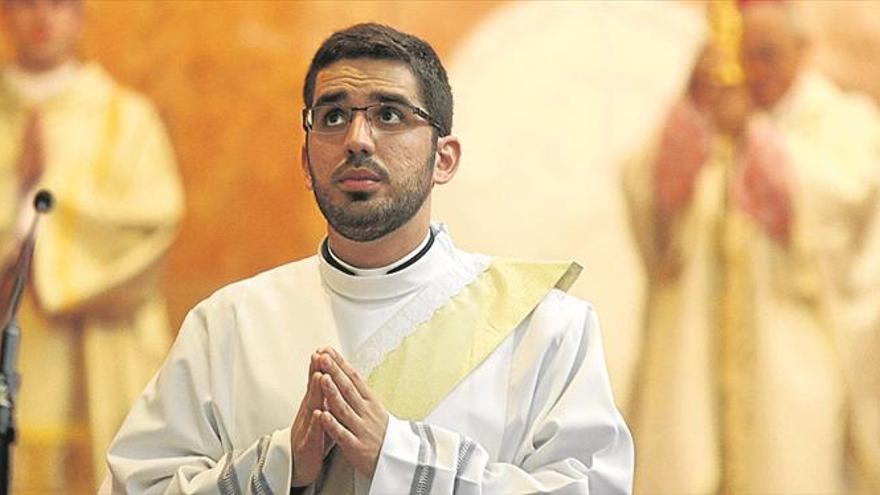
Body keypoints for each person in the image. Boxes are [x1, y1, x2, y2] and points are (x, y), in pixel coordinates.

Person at [104, 23, 633, 494]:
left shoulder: (541, 328)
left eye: (389, 114)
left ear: (442, 159)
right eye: (332, 116)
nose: (357, 139)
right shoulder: (228, 325)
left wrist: (402, 460)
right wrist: (279, 467)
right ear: (306, 160)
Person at [623, 2, 880, 493]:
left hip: (791, 385)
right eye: (739, 56)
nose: (751, 73)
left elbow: (848, 206)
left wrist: (752, 137)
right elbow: (650, 207)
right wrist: (693, 112)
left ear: (803, 51)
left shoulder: (843, 122)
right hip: (691, 383)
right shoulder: (701, 119)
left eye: (766, 55)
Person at [0, 0, 184, 491]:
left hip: (98, 360)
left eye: (58, 3)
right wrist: (18, 211)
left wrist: (45, 201)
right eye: (26, 3)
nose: (42, 17)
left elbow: (150, 228)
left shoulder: (126, 119)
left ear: (79, 15)